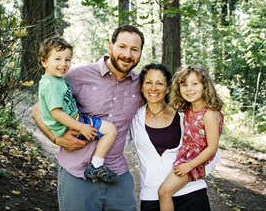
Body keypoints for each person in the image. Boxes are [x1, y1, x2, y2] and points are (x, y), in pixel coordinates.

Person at [31, 24, 145, 210]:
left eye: (135, 49)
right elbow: (38, 111)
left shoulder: (140, 86)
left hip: (116, 173)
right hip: (76, 172)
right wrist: (56, 139)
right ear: (110, 47)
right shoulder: (78, 75)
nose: (128, 54)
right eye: (122, 47)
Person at [126, 63, 220, 211]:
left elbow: (211, 146)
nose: (153, 88)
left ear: (168, 87)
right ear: (142, 87)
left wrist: (204, 169)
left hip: (191, 191)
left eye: (160, 83)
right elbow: (118, 145)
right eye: (148, 82)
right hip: (152, 195)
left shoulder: (184, 113)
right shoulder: (133, 117)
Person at [38, 36, 119, 183]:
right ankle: (96, 166)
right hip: (75, 125)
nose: (63, 64)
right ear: (44, 62)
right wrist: (81, 127)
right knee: (111, 130)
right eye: (57, 59)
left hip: (74, 121)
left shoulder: (54, 80)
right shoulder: (51, 86)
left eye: (67, 59)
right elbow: (56, 113)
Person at [158, 65, 224, 211]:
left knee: (164, 192)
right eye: (184, 84)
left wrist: (190, 165)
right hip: (185, 154)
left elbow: (212, 147)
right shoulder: (189, 109)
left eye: (195, 84)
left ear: (205, 86)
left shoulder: (209, 114)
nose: (189, 89)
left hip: (196, 159)